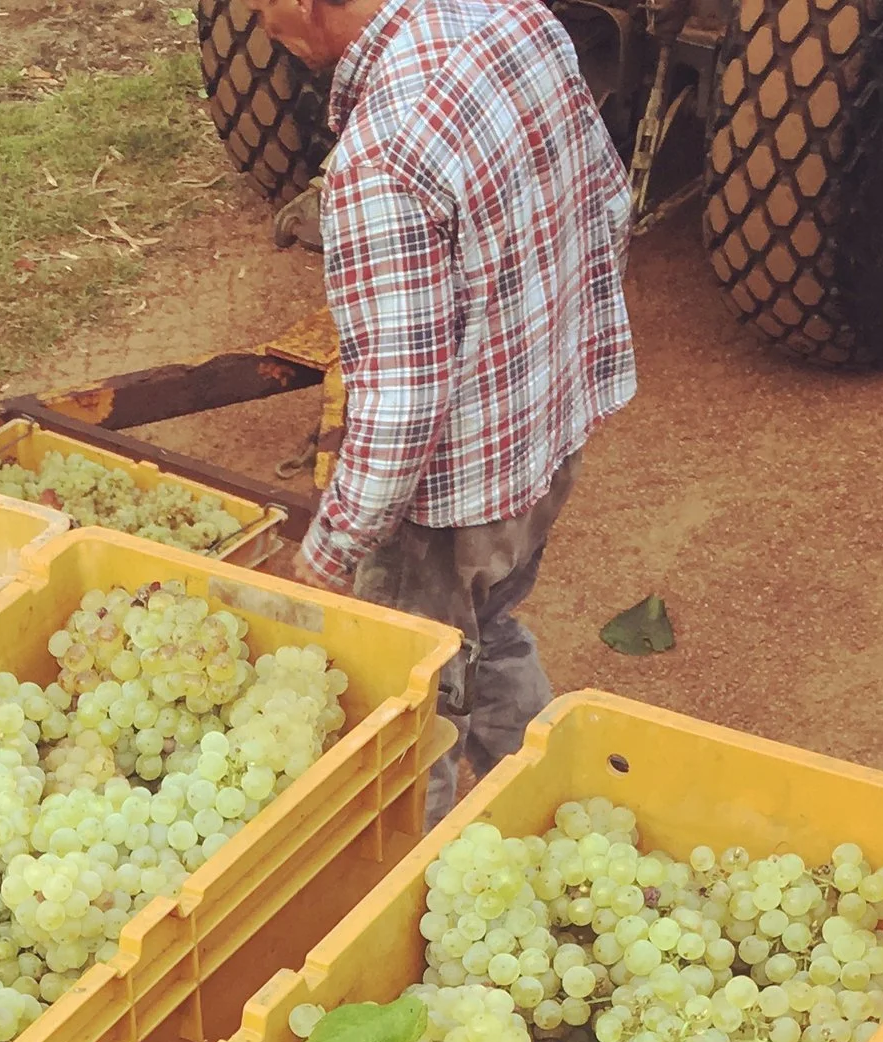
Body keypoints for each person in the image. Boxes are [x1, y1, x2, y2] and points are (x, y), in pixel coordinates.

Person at [257, 0, 636, 808]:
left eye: (261, 10)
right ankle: (564, 819)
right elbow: (610, 201)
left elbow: (399, 408)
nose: (265, 32)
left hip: (448, 507)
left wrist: (330, 554)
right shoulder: (513, 17)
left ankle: (406, 886)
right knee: (488, 627)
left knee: (407, 705)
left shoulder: (381, 158)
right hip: (547, 440)